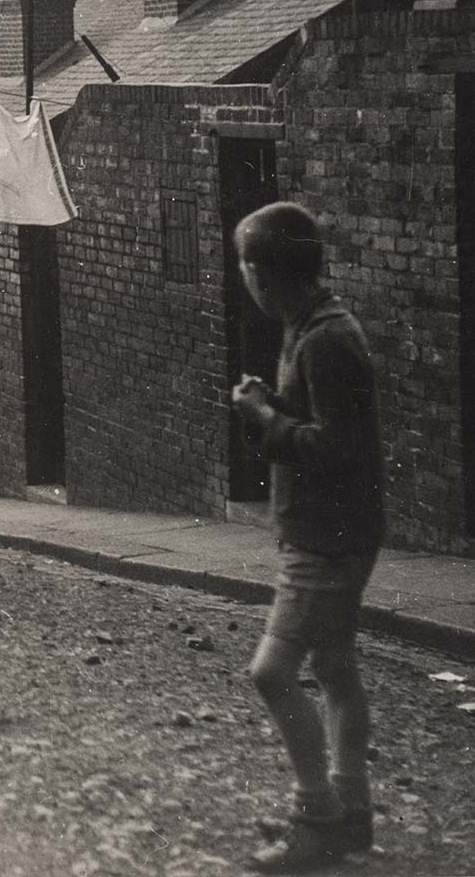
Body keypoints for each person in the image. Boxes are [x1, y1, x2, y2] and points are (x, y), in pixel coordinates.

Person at [230, 202, 385, 875]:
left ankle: (315, 816)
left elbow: (338, 447)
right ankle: (351, 811)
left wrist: (265, 415)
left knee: (272, 672)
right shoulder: (310, 327)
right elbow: (325, 426)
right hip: (332, 529)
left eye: (247, 269)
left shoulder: (324, 338)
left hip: (327, 536)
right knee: (335, 669)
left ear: (265, 275)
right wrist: (275, 406)